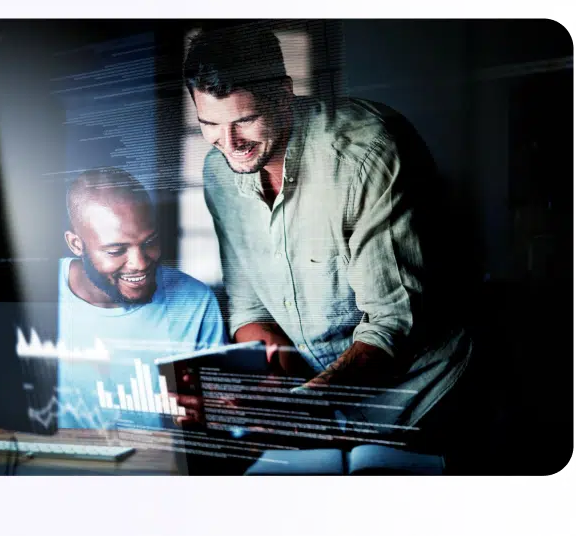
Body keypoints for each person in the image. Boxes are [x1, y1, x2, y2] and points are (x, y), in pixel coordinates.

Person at [181, 25, 475, 452]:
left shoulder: (369, 150)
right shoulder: (218, 170)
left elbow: (392, 326)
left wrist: (297, 405)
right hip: (327, 404)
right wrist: (276, 389)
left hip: (425, 398)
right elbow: (249, 307)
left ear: (282, 94)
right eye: (210, 123)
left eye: (246, 120)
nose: (230, 144)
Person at [54, 167, 226, 430]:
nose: (140, 263)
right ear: (76, 245)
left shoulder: (196, 302)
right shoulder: (32, 294)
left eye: (149, 242)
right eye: (116, 250)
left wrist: (212, 414)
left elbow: (226, 416)